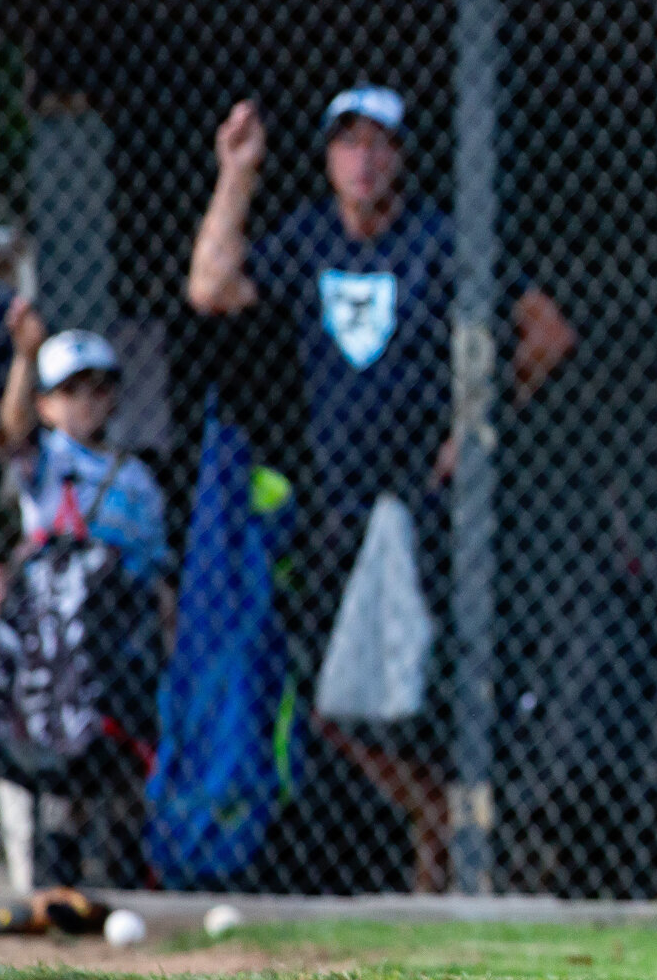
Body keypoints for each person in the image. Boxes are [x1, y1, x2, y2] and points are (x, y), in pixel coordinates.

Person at [185, 86, 577, 893]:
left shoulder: (440, 239)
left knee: (430, 692)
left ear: (402, 155)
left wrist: (475, 428)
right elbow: (211, 288)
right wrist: (237, 173)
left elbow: (547, 332)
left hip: (428, 512)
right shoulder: (310, 236)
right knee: (330, 695)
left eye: (379, 144)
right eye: (347, 144)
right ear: (328, 157)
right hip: (339, 511)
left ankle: (447, 857)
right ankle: (445, 825)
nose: (363, 161)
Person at [0, 309, 170, 887]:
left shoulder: (136, 478)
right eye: (68, 390)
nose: (86, 401)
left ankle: (128, 898)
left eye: (98, 387)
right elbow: (11, 430)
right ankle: (58, 898)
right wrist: (24, 357)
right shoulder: (45, 461)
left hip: (117, 639)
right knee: (60, 782)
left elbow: (154, 573)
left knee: (123, 773)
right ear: (46, 404)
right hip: (57, 645)